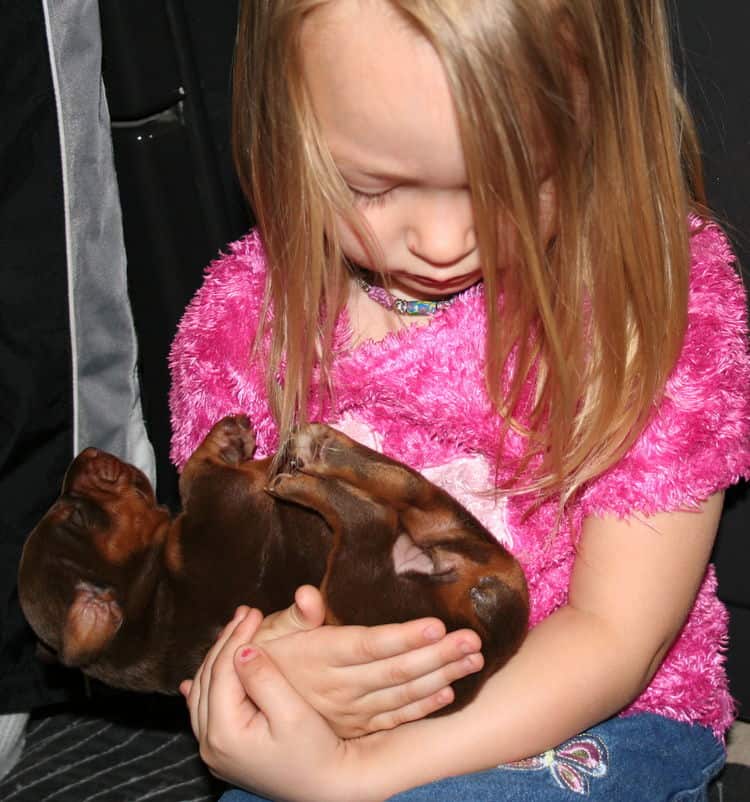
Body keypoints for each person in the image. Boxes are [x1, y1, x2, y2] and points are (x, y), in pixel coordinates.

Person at [169, 1, 750, 799]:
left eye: (513, 183)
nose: (443, 243)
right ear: (281, 127)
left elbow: (619, 636)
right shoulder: (244, 322)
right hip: (357, 724)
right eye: (369, 187)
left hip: (601, 716)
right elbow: (222, 575)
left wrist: (354, 775)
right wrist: (269, 659)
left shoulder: (649, 299)